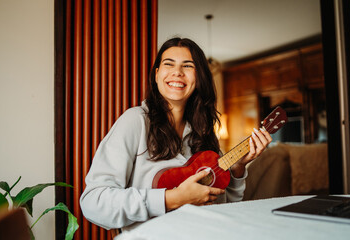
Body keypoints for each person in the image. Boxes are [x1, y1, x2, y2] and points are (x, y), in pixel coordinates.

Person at [80, 37, 272, 231]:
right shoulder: (135, 121)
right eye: (168, 64)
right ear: (156, 75)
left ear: (199, 78)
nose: (177, 72)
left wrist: (238, 168)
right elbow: (93, 203)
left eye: (188, 66)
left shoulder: (204, 131)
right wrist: (173, 199)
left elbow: (224, 208)